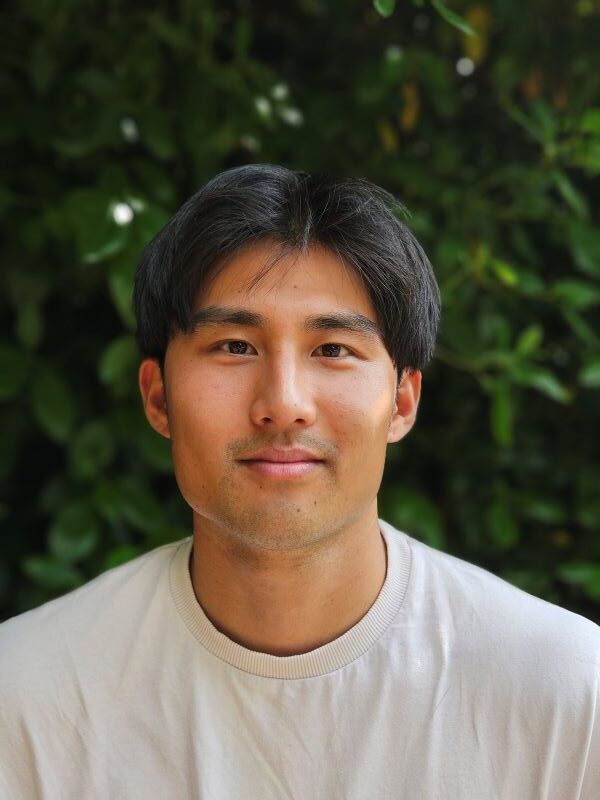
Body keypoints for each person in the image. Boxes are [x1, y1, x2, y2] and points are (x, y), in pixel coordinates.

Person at [0, 164, 598, 799]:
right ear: (158, 397)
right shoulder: (27, 695)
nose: (284, 404)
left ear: (402, 401)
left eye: (333, 350)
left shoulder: (565, 693)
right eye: (235, 346)